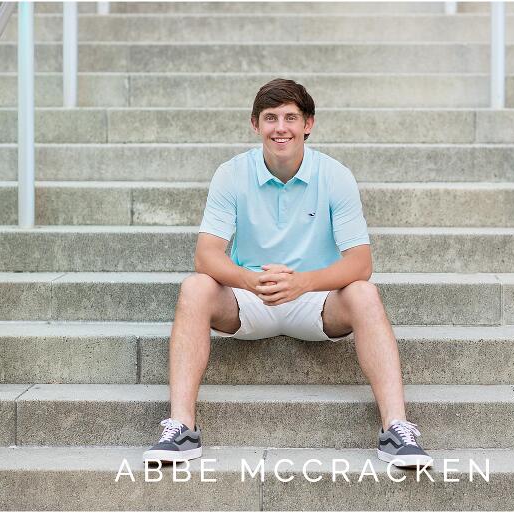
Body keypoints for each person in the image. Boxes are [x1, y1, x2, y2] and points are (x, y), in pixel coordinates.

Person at [143, 79, 433, 468]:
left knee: (364, 292)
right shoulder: (231, 174)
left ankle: (397, 428)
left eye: (291, 118)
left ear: (308, 124)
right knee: (195, 287)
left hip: (315, 302)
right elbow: (206, 255)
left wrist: (303, 282)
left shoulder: (335, 176)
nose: (281, 127)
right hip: (250, 298)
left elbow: (360, 263)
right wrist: (249, 280)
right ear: (255, 124)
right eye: (270, 118)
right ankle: (181, 427)